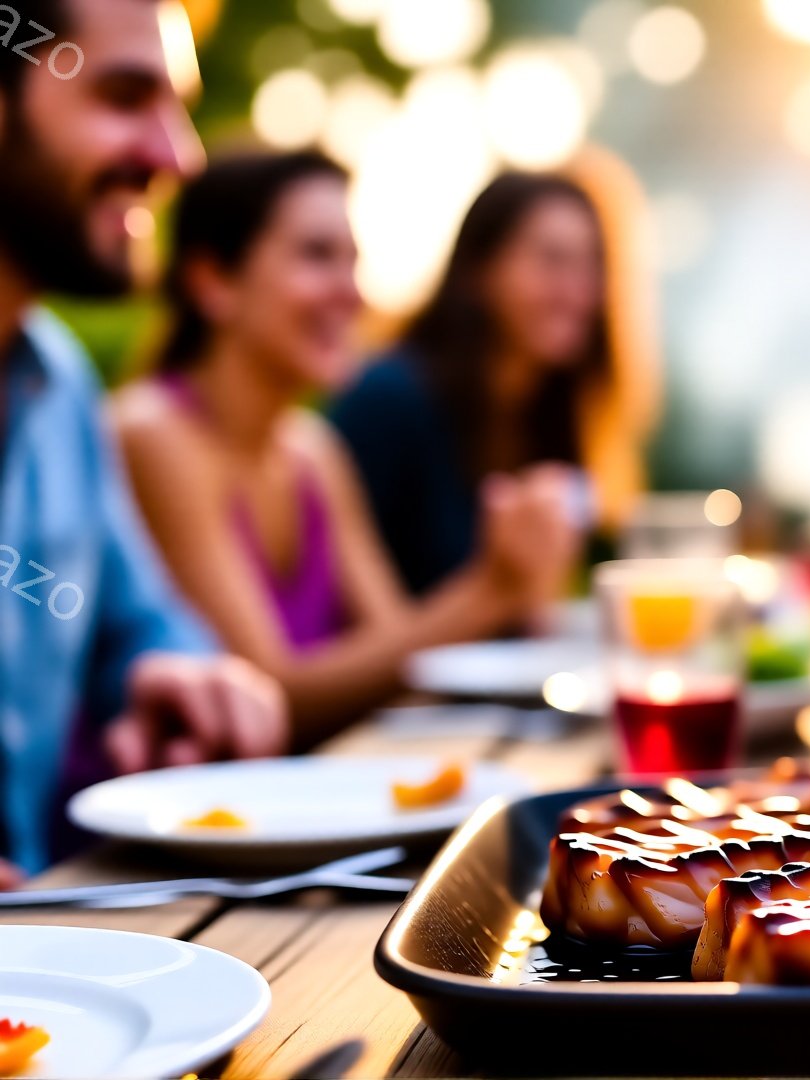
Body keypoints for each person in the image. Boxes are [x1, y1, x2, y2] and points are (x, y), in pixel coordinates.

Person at [112, 153, 579, 739]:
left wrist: (518, 590)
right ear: (213, 281)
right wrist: (490, 589)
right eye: (316, 256)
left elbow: (397, 660)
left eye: (353, 262)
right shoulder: (154, 433)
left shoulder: (312, 452)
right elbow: (269, 690)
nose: (352, 294)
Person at [0, 0, 287, 878]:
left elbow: (140, 624)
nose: (179, 155)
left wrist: (183, 680)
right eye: (128, 96)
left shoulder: (58, 387)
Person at [330, 170, 652, 596]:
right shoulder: (391, 398)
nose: (578, 291)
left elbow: (529, 613)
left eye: (592, 265)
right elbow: (345, 615)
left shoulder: (547, 414)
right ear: (479, 269)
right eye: (552, 261)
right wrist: (498, 590)